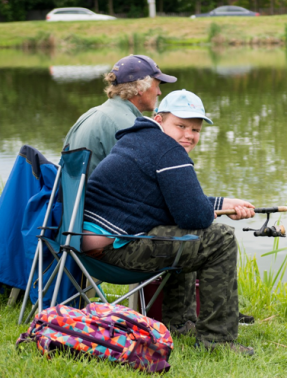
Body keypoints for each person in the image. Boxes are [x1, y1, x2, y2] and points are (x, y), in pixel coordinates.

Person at [82, 90, 257, 355]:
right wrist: (216, 210)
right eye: (181, 125)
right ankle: (216, 340)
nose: (189, 134)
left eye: (195, 129)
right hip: (114, 251)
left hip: (85, 246)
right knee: (219, 239)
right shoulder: (168, 152)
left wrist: (222, 204)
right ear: (159, 119)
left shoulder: (137, 140)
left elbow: (174, 203)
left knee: (182, 233)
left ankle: (178, 323)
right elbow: (193, 216)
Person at [64, 54, 177, 175]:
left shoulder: (90, 114)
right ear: (140, 87)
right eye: (157, 86)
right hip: (98, 194)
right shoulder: (129, 127)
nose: (159, 92)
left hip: (74, 194)